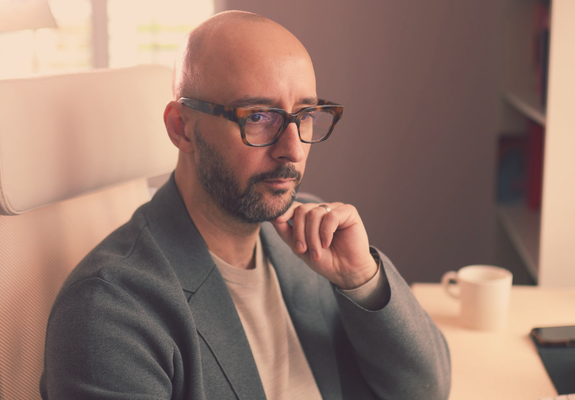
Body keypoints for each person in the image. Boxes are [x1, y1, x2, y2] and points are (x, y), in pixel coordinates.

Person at [41, 10, 451, 400]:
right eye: (258, 116)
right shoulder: (109, 311)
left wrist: (362, 279)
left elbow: (426, 390)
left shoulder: (315, 235)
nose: (292, 149)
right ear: (181, 128)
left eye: (305, 114)